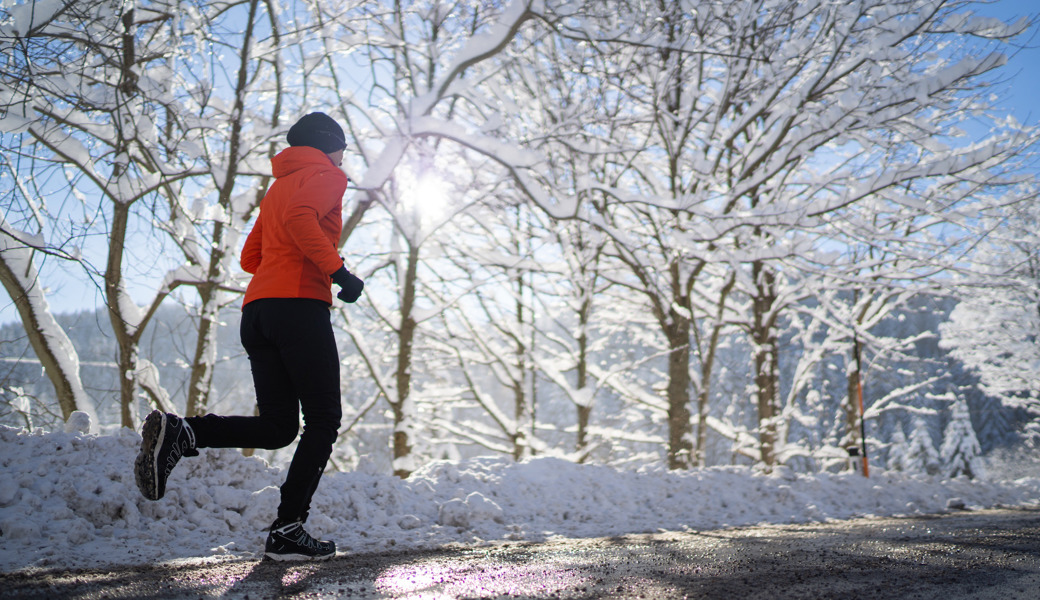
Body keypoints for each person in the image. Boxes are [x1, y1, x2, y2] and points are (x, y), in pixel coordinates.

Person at [133, 112, 364, 561]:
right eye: (342, 146)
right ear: (327, 144)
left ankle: (184, 432)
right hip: (298, 309)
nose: (343, 156)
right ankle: (288, 529)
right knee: (323, 420)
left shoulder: (279, 186)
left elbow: (250, 256)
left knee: (279, 428)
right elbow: (301, 221)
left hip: (258, 311)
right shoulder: (328, 176)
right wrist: (338, 271)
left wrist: (288, 269)